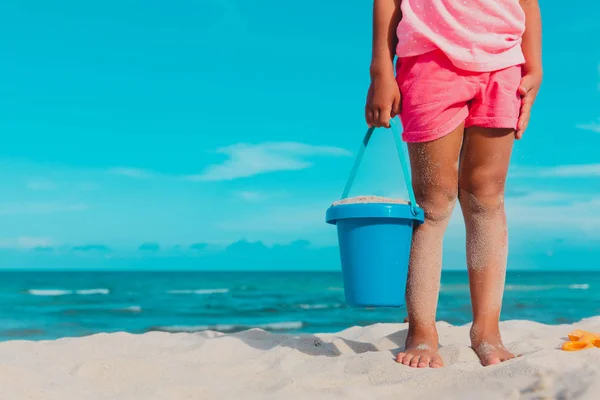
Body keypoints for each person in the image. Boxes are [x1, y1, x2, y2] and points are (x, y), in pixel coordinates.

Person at [365, 0, 542, 367]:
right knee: (433, 203)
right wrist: (381, 68)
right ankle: (422, 330)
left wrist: (534, 64)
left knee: (487, 198)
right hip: (429, 56)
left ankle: (487, 331)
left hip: (505, 61)